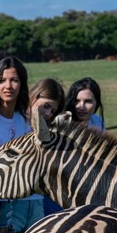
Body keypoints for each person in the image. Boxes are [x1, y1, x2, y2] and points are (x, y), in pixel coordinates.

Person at [0, 56, 41, 233]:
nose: (8, 86)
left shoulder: (25, 119)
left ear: (22, 84)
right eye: (2, 80)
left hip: (14, 198)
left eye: (14, 80)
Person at [28, 78, 66, 214]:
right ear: (34, 96)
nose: (48, 114)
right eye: (46, 106)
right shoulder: (18, 121)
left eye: (53, 111)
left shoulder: (47, 131)